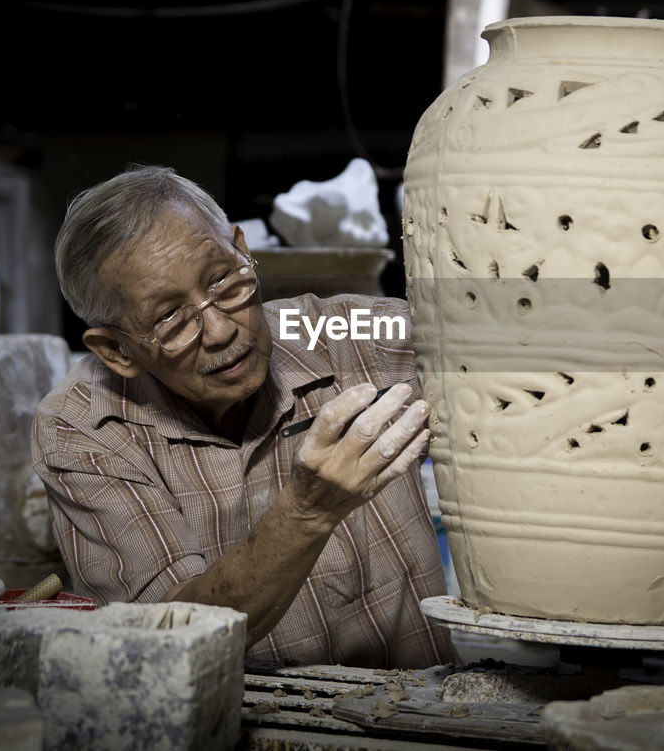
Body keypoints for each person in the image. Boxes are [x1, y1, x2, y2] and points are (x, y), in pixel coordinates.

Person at [32, 166, 452, 668]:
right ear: (117, 350)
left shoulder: (347, 334)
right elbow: (162, 642)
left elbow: (519, 347)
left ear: (241, 249)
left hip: (421, 712)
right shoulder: (82, 426)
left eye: (224, 280)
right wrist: (306, 512)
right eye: (169, 317)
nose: (220, 330)